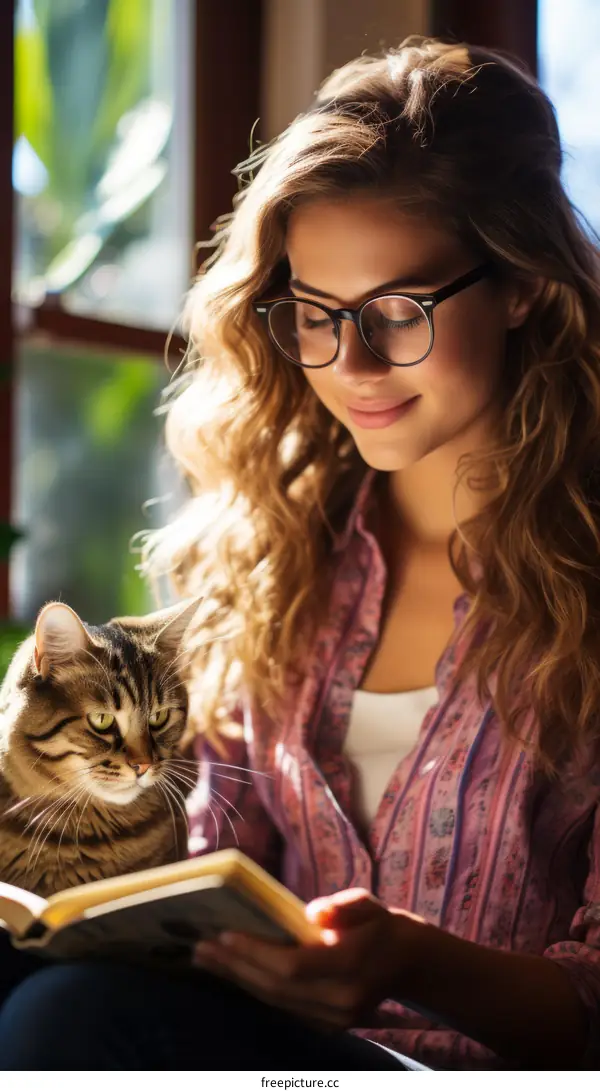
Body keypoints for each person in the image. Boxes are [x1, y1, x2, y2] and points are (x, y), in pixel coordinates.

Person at [1, 34, 599, 1071]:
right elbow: (214, 880)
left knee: (67, 1021)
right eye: (315, 314)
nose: (349, 364)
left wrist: (415, 961)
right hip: (274, 1055)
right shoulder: (278, 557)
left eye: (397, 311)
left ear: (523, 286)